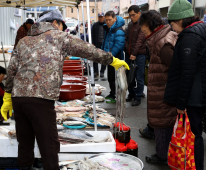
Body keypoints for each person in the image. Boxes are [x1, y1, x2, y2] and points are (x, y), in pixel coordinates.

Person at [1, 9, 129, 170]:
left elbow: (11, 70)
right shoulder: (60, 37)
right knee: (49, 145)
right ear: (55, 23)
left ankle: (25, 168)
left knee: (24, 141)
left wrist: (7, 97)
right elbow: (88, 50)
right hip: (41, 99)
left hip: (19, 99)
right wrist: (112, 60)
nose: (63, 29)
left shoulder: (23, 41)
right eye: (62, 25)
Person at [164, 0, 206, 169]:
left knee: (194, 135)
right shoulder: (202, 32)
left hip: (193, 95)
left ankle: (195, 166)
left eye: (172, 23)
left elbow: (187, 72)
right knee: (196, 133)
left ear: (180, 20)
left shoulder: (190, 37)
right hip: (201, 91)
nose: (172, 27)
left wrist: (181, 103)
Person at [138, 10, 178, 164]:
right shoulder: (157, 38)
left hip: (164, 92)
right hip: (160, 90)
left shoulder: (162, 43)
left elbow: (175, 69)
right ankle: (164, 155)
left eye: (143, 28)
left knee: (162, 125)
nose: (142, 32)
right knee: (162, 125)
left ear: (151, 25)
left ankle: (163, 157)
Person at [124, 5, 146, 106]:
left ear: (139, 13)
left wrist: (134, 53)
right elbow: (126, 38)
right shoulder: (129, 25)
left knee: (139, 77)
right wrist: (126, 49)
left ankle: (138, 96)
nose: (132, 17)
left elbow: (140, 41)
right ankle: (131, 93)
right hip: (128, 54)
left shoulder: (142, 24)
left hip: (140, 55)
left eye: (133, 15)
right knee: (129, 75)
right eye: (130, 15)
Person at [102, 11, 125, 103]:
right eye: (106, 20)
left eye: (110, 20)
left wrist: (110, 55)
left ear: (115, 19)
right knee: (110, 77)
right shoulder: (109, 29)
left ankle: (116, 96)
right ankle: (112, 93)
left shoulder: (118, 30)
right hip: (109, 57)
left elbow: (119, 44)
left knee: (115, 77)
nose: (108, 22)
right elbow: (105, 42)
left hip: (115, 57)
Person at [92, 12, 106, 78]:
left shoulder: (106, 24)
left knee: (104, 58)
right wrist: (92, 42)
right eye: (99, 17)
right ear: (98, 18)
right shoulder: (95, 25)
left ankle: (102, 71)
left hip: (104, 44)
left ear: (104, 17)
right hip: (96, 44)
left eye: (102, 17)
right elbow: (92, 34)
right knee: (95, 58)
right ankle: (96, 71)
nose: (101, 18)